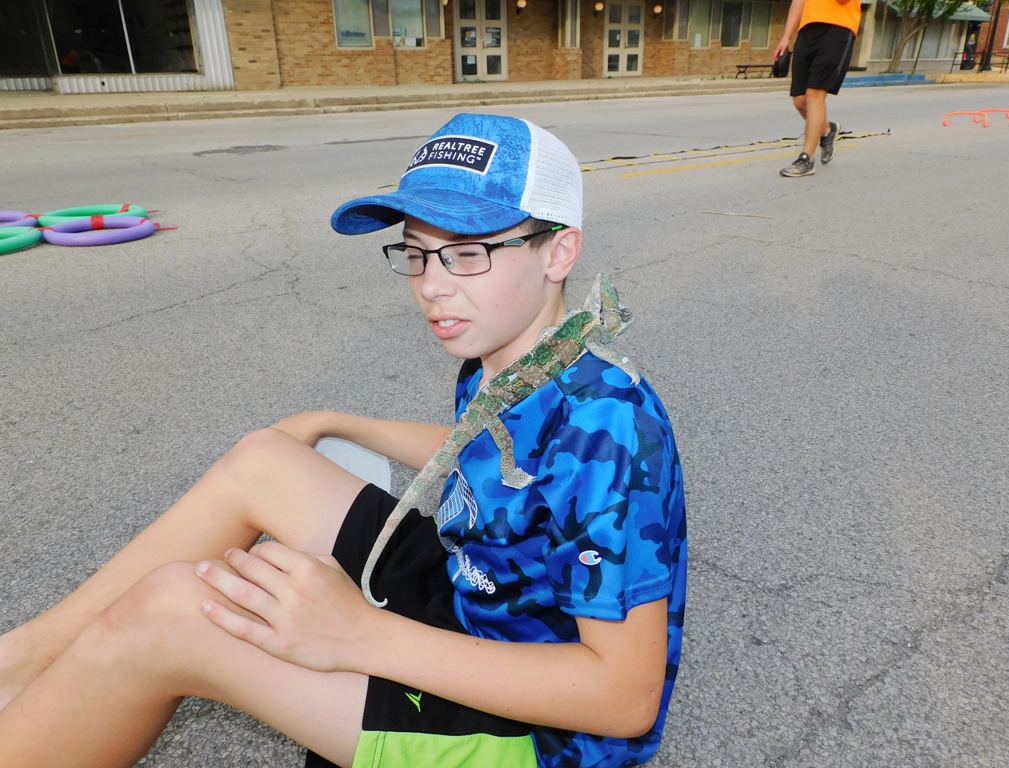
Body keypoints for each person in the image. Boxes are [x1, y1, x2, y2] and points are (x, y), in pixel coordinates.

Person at [0, 113, 687, 768]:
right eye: (416, 254)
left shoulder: (610, 428)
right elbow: (499, 456)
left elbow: (623, 700)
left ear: (559, 251)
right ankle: (21, 662)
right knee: (262, 462)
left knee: (170, 615)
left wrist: (361, 636)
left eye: (465, 254)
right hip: (474, 597)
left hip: (538, 729)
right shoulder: (517, 351)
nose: (432, 287)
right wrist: (333, 422)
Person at [775, 0, 862, 177]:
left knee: (814, 93)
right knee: (800, 100)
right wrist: (786, 36)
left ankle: (807, 159)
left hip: (838, 28)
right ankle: (827, 129)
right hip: (807, 30)